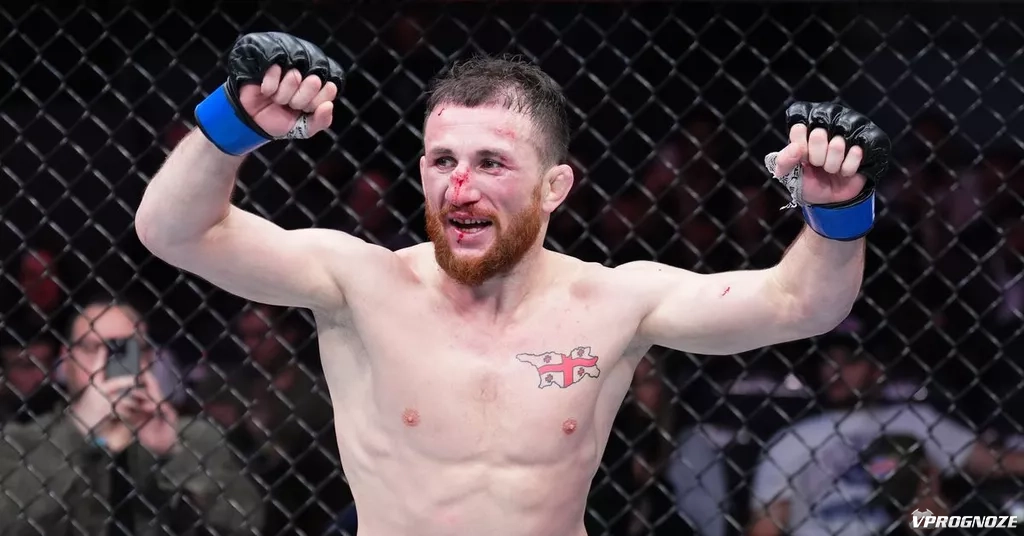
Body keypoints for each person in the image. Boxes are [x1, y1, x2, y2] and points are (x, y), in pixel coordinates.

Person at [135, 32, 891, 536]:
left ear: (554, 186)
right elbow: (174, 231)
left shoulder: (614, 302)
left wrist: (837, 210)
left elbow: (802, 303)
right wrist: (233, 123)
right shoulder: (360, 283)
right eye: (442, 161)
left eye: (491, 163)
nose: (459, 187)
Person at [0, 296, 264, 535]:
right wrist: (77, 433)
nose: (105, 364)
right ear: (66, 358)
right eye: (92, 348)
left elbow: (246, 524)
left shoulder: (192, 437)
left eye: (123, 351)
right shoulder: (22, 442)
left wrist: (174, 455)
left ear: (147, 359)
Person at [746, 333, 1024, 536]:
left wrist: (928, 510)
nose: (835, 370)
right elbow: (767, 524)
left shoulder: (912, 419)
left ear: (877, 369)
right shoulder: (793, 437)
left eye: (850, 360)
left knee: (978, 515)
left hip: (897, 529)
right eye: (828, 361)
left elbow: (992, 461)